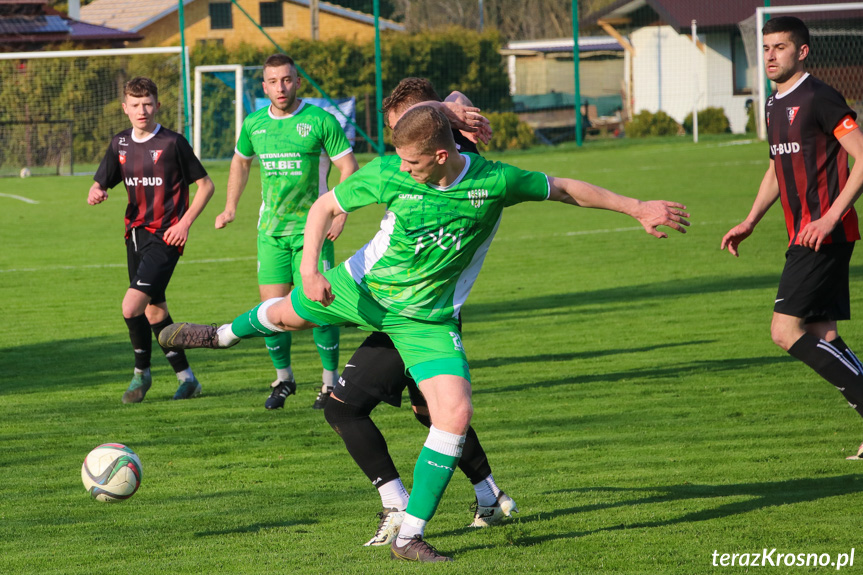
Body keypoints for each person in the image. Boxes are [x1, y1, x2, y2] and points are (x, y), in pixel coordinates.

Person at [159, 105, 689, 561]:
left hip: (425, 320)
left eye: (413, 162)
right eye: (401, 161)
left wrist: (636, 207)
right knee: (288, 313)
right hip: (364, 288)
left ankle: (410, 534)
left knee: (454, 411)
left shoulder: (492, 181)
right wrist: (309, 271)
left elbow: (565, 188)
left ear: (440, 156)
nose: (403, 169)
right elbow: (326, 205)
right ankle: (222, 335)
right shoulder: (391, 172)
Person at [324, 78, 514, 548]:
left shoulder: (456, 144)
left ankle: (399, 512)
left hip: (415, 310)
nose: (400, 154)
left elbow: (459, 101)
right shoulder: (418, 159)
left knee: (345, 408)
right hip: (416, 303)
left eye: (406, 136)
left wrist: (451, 111)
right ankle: (490, 496)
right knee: (432, 411)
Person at [721, 16, 863, 459]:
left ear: (802, 52)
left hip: (824, 234)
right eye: (766, 48)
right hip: (803, 231)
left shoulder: (820, 98)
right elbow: (776, 169)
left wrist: (830, 217)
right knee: (821, 333)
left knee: (784, 330)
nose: (769, 56)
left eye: (780, 47)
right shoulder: (771, 104)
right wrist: (750, 220)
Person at [214, 53, 359, 411]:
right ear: (264, 86)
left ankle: (329, 384)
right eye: (273, 81)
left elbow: (349, 168)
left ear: (297, 82)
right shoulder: (254, 124)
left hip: (313, 233)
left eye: (287, 80)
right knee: (269, 310)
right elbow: (240, 162)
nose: (281, 87)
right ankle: (284, 379)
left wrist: (340, 214)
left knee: (320, 305)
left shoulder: (320, 121)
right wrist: (231, 206)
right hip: (271, 233)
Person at [88, 76, 215, 403]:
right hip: (135, 236)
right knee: (155, 313)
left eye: (148, 104)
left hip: (166, 237)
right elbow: (102, 181)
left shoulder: (173, 143)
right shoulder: (120, 144)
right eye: (135, 105)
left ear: (157, 105)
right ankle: (188, 379)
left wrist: (185, 223)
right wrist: (97, 189)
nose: (142, 110)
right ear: (125, 108)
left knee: (131, 307)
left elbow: (206, 186)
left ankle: (140, 373)